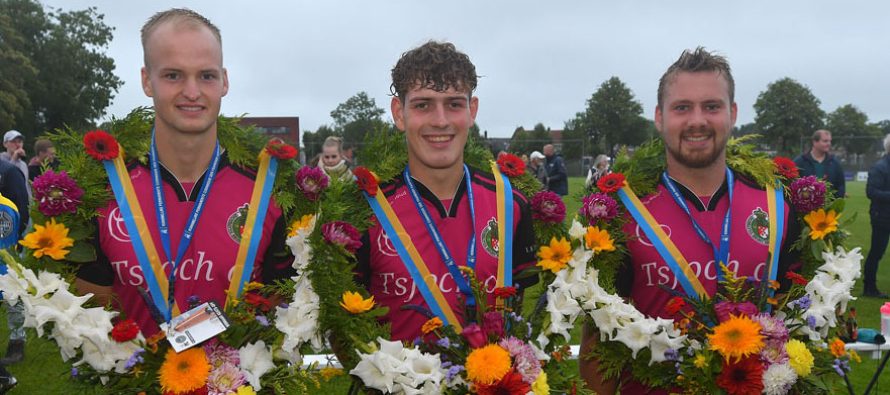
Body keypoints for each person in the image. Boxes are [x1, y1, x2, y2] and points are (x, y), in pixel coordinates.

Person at [580, 47, 799, 394]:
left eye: (712, 106)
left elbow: (799, 332)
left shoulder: (778, 206)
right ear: (659, 117)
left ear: (733, 113)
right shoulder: (620, 213)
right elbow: (596, 346)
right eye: (682, 107)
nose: (697, 120)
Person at [74, 8, 293, 336]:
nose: (192, 92)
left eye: (206, 75)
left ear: (224, 81)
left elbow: (281, 315)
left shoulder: (271, 191)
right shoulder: (102, 191)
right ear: (147, 80)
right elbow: (90, 324)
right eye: (173, 75)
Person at [355, 41, 538, 341]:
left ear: (471, 110)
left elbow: (515, 314)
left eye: (453, 104)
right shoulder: (368, 210)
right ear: (399, 113)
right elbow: (345, 329)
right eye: (423, 104)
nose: (440, 121)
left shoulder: (510, 205)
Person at [0, 159, 30, 368]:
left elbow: (23, 206)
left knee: (12, 293)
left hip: (7, 241)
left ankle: (17, 342)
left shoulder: (9, 172)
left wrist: (17, 240)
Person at [862, 134, 890, 298]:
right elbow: (871, 192)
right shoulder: (880, 167)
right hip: (882, 217)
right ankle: (869, 287)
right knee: (877, 252)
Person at [794, 129, 846, 198]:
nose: (829, 144)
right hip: (805, 207)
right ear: (815, 142)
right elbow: (793, 185)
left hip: (829, 207)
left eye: (830, 141)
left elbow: (841, 186)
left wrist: (834, 203)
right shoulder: (800, 162)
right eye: (825, 141)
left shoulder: (835, 163)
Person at [1, 131, 30, 198]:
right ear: (5, 144)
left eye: (19, 142)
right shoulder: (1, 160)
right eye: (13, 142)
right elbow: (5, 179)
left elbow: (26, 186)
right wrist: (14, 159)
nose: (17, 145)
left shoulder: (23, 164)